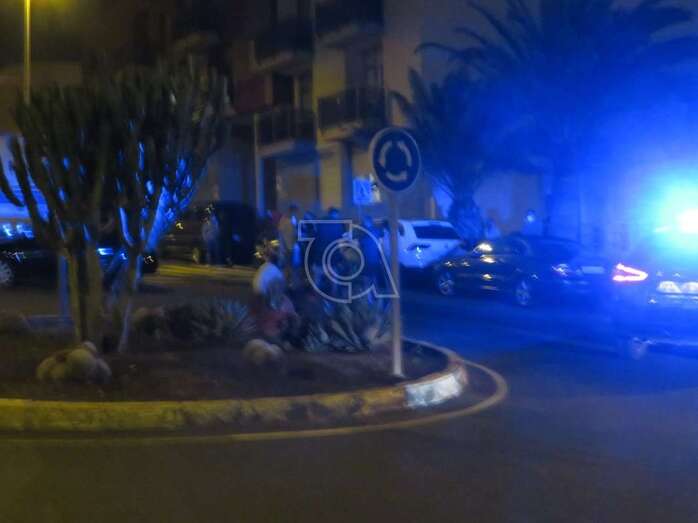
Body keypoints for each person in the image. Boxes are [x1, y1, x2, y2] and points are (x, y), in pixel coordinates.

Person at [358, 215, 384, 290]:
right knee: (374, 276)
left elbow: (361, 244)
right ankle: (375, 292)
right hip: (375, 258)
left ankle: (368, 293)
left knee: (366, 277)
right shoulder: (377, 231)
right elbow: (381, 240)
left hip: (367, 257)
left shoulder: (364, 232)